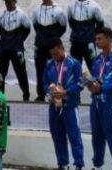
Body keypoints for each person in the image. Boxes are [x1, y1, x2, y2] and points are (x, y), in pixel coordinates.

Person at [87, 27, 112, 170]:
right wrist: (88, 84)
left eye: (100, 39)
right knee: (96, 137)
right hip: (96, 103)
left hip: (110, 104)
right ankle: (97, 166)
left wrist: (102, 88)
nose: (96, 42)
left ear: (109, 39)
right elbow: (95, 79)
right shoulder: (97, 60)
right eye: (96, 39)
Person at [43, 38, 84, 170]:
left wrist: (66, 92)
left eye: (56, 53)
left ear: (62, 48)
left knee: (74, 135)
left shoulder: (74, 63)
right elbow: (44, 83)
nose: (54, 56)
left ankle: (79, 164)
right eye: (52, 54)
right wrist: (51, 92)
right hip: (54, 106)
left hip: (70, 106)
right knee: (57, 136)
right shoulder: (49, 64)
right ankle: (63, 164)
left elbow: (81, 83)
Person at [32, 0, 67, 102]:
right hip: (40, 44)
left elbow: (63, 27)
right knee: (40, 70)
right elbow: (36, 26)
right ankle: (41, 95)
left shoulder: (58, 10)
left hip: (53, 45)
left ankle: (58, 93)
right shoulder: (37, 9)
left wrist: (53, 38)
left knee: (56, 68)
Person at [0, 0, 31, 101]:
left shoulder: (22, 14)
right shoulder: (1, 14)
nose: (8, 4)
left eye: (10, 1)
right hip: (4, 48)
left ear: (15, 1)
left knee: (21, 72)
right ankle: (0, 95)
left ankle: (26, 94)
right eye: (6, 1)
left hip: (17, 49)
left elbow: (27, 29)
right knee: (1, 73)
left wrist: (19, 40)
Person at [67, 0, 104, 70]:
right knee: (74, 67)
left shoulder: (94, 6)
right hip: (76, 42)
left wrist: (92, 36)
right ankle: (76, 84)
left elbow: (100, 24)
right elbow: (71, 23)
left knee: (93, 66)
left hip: (89, 43)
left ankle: (97, 84)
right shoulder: (71, 6)